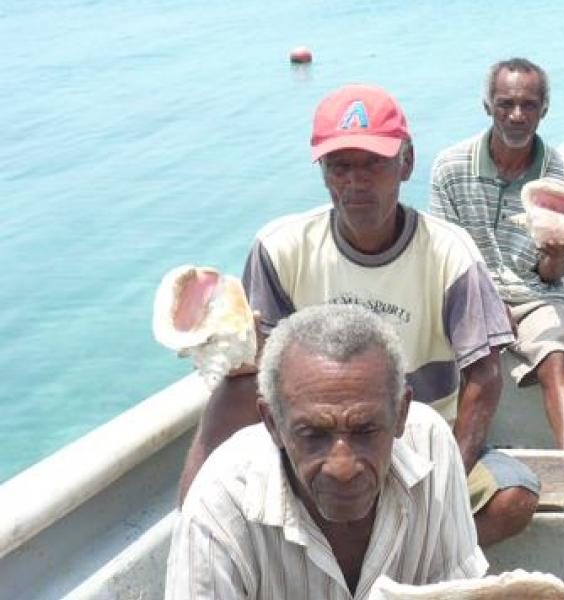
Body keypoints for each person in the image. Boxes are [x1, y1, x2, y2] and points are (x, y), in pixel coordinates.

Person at [177, 84, 539, 546]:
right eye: (340, 166)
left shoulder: (449, 253)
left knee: (513, 497)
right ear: (324, 172)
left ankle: (398, 566)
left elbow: (484, 379)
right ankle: (196, 538)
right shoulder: (281, 247)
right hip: (318, 445)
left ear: (406, 163)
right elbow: (265, 371)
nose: (356, 181)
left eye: (374, 163)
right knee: (233, 391)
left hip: (421, 440)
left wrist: (449, 477)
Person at [166, 305, 487, 599]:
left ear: (401, 413)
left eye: (365, 431)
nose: (342, 467)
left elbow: (459, 590)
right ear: (273, 423)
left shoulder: (431, 445)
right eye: (313, 435)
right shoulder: (221, 504)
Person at [431, 58, 564, 450]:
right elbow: (442, 254)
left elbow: (555, 273)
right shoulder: (450, 168)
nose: (516, 115)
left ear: (544, 111)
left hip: (537, 295)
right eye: (505, 104)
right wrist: (487, 305)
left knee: (555, 354)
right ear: (488, 106)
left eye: (528, 105)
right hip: (470, 295)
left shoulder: (563, 178)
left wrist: (555, 255)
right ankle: (451, 462)